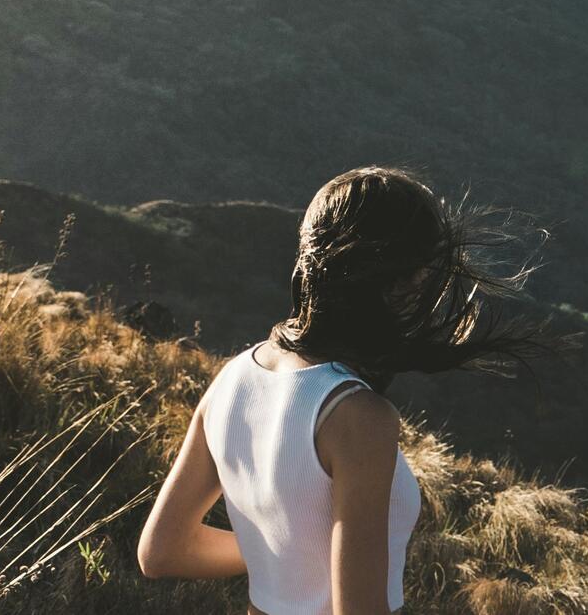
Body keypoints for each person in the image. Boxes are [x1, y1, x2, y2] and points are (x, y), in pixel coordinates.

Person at [136, 166, 544, 615]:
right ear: (397, 279)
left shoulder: (233, 378)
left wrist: (278, 550)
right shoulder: (357, 416)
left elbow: (161, 551)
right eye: (425, 275)